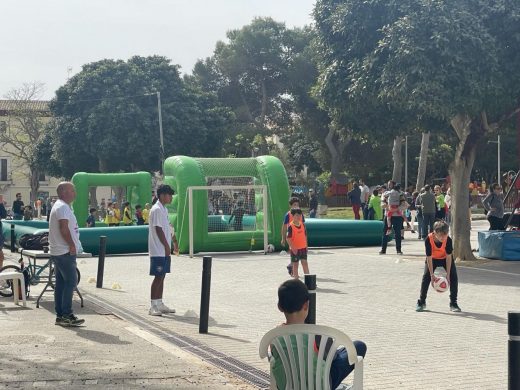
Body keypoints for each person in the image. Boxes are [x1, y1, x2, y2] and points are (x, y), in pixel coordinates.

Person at [272, 279, 367, 389]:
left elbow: (273, 355)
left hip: (288, 386)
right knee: (358, 346)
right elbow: (331, 357)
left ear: (279, 306)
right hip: (320, 385)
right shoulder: (317, 335)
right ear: (306, 305)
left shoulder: (275, 336)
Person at [49, 182, 85, 326]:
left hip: (59, 250)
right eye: (72, 190)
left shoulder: (60, 206)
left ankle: (60, 315)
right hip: (64, 251)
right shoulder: (62, 207)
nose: (75, 193)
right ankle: (66, 314)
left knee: (61, 283)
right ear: (64, 192)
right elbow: (64, 228)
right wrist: (71, 245)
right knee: (71, 281)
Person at [416, 220, 461, 312]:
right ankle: (421, 302)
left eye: (445, 235)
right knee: (426, 277)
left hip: (445, 259)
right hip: (432, 259)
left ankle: (453, 303)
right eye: (441, 235)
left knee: (453, 277)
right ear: (435, 232)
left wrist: (448, 275)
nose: (443, 238)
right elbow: (428, 257)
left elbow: (449, 257)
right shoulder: (428, 239)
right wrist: (432, 275)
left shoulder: (448, 240)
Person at [148, 184, 178, 316]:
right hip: (158, 249)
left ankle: (160, 303)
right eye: (169, 195)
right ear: (162, 195)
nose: (171, 197)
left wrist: (173, 243)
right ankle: (153, 305)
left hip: (164, 249)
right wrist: (166, 246)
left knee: (163, 276)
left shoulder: (164, 209)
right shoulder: (156, 210)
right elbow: (158, 229)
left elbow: (168, 229)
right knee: (158, 276)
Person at [281, 197, 305, 276]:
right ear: (290, 206)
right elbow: (284, 227)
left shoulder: (301, 214)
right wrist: (283, 238)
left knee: (298, 257)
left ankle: (291, 267)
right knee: (295, 255)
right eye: (294, 205)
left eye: (297, 205)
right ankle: (294, 273)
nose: (296, 206)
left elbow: (303, 226)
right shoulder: (288, 215)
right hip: (292, 238)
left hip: (300, 238)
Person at [380, 181, 403, 255]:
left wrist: (396, 209)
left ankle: (398, 250)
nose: (389, 185)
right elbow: (382, 204)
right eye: (388, 184)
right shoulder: (385, 194)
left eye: (391, 184)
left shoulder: (400, 194)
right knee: (385, 233)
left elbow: (404, 204)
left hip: (397, 216)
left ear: (394, 185)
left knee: (398, 233)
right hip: (388, 215)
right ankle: (383, 250)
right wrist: (388, 208)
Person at [286, 208, 309, 279]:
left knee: (305, 263)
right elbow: (288, 238)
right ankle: (296, 281)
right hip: (295, 249)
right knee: (295, 265)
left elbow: (305, 236)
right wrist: (293, 248)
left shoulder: (303, 224)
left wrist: (306, 246)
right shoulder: (290, 226)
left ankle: (308, 280)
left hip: (303, 248)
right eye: (296, 215)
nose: (298, 217)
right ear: (292, 216)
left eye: (300, 215)